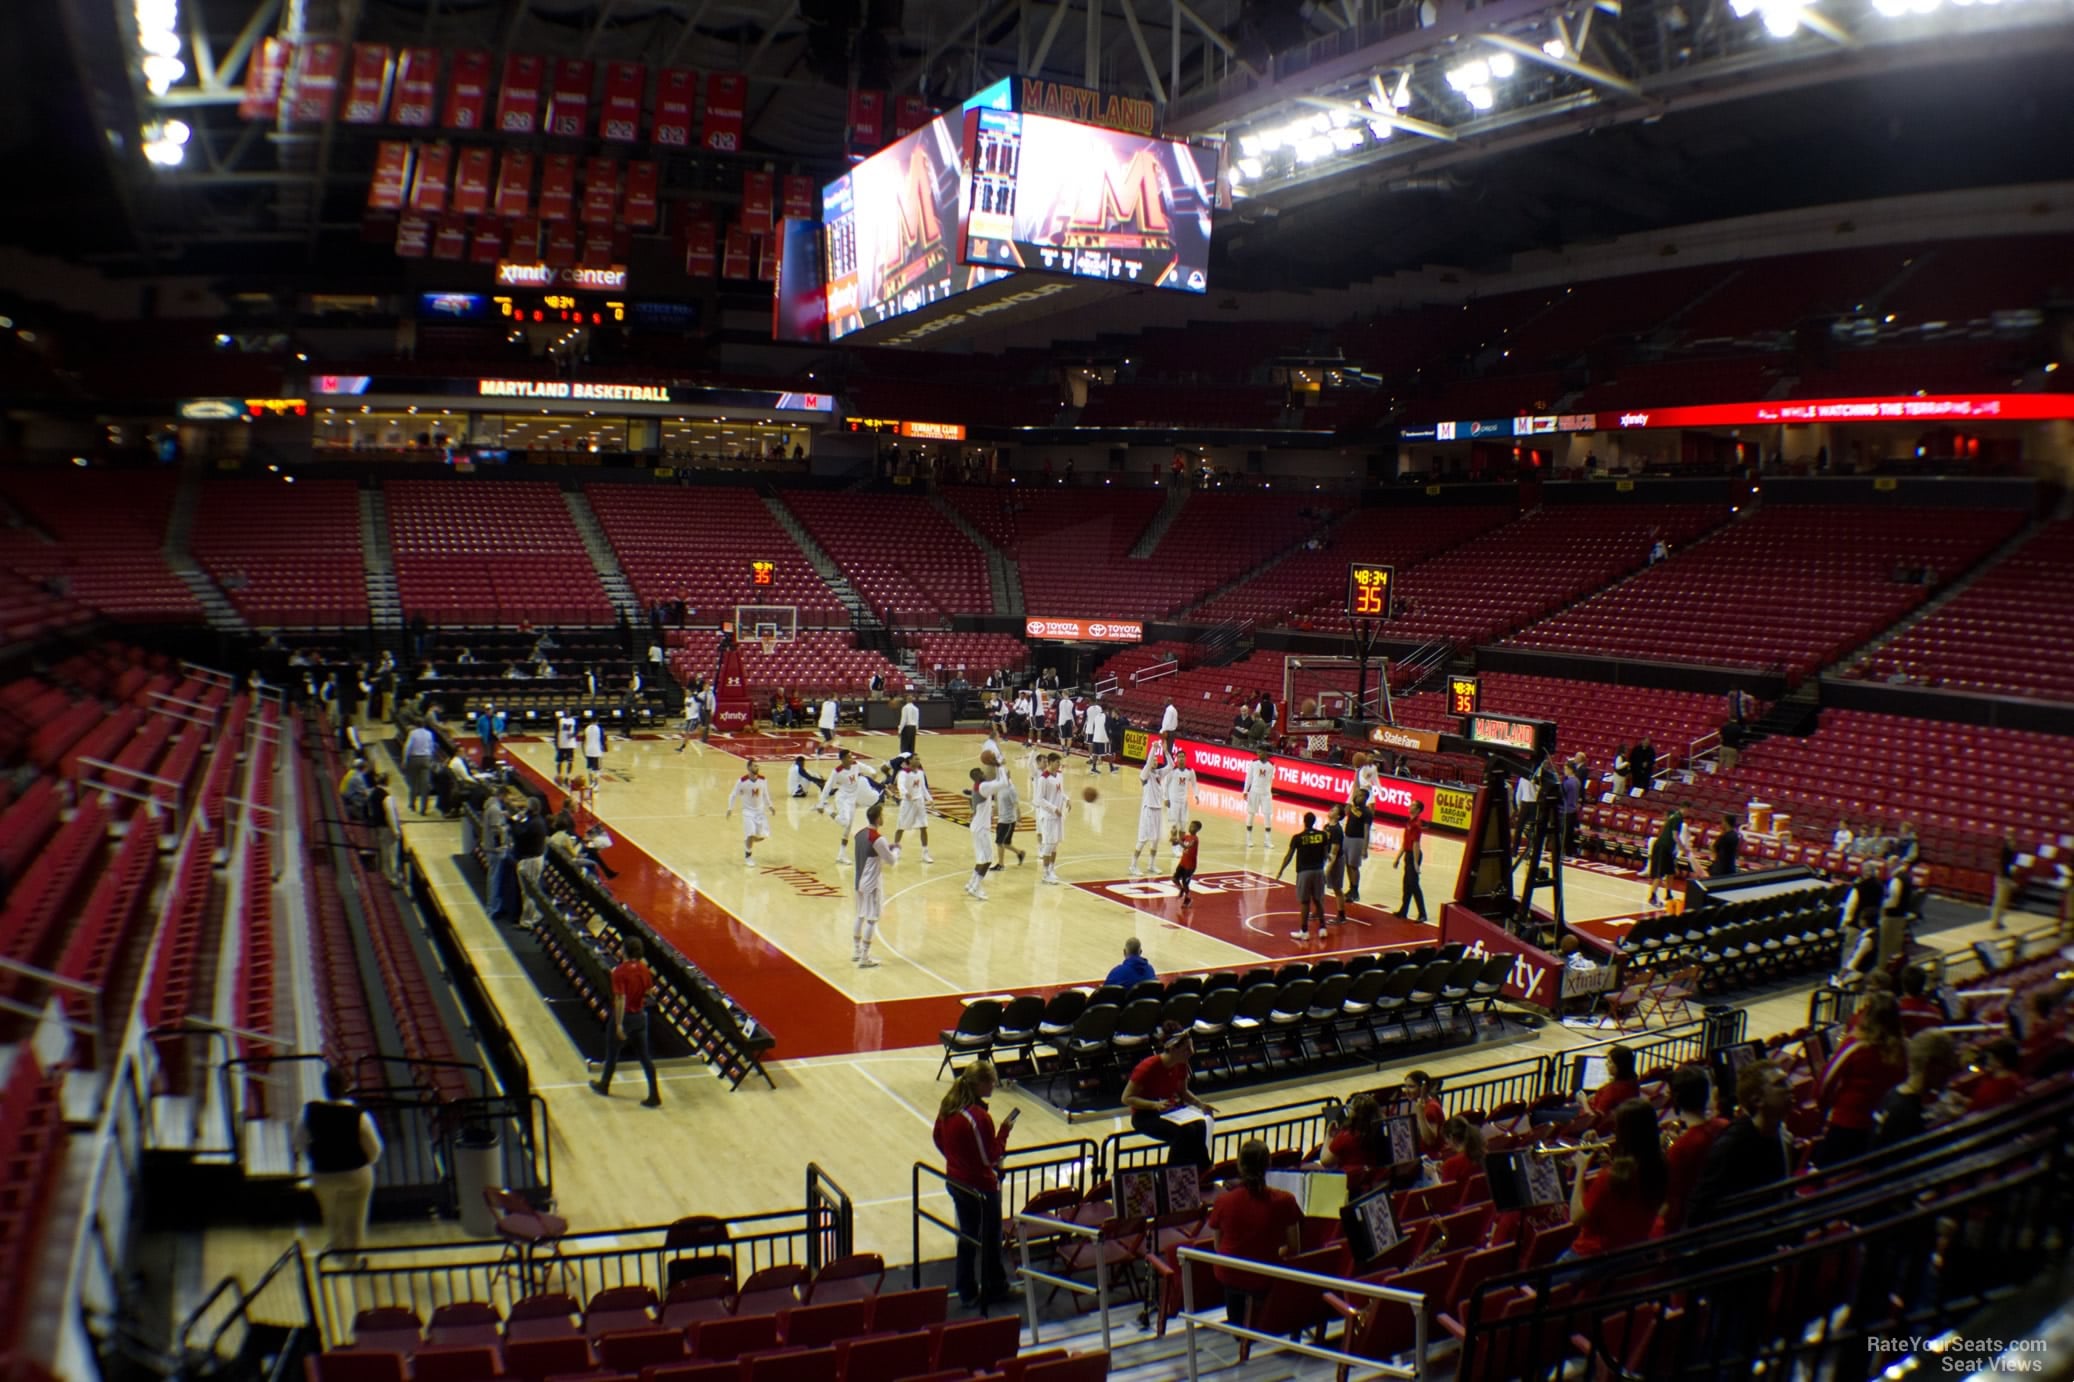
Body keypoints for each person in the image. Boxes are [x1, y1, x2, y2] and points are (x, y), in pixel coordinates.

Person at [933, 1061, 1019, 1309]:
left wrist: (956, 1160)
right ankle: (996, 1287)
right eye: (991, 1081)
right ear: (980, 1083)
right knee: (991, 1240)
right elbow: (990, 1157)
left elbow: (937, 1139)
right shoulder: (979, 1117)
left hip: (956, 1180)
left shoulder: (948, 1107)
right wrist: (1004, 1132)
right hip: (980, 1187)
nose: (994, 1085)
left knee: (967, 1237)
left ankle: (967, 1290)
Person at [1206, 1140, 1302, 1329]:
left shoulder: (1223, 1200)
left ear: (1240, 1166)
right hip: (1265, 1274)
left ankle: (1239, 1329)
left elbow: (1218, 1247)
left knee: (1235, 1279)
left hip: (1229, 1273)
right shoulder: (1286, 1200)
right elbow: (1294, 1248)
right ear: (1268, 1165)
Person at [1686, 1059, 1793, 1226]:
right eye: (1781, 1084)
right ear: (1758, 1100)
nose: (1791, 1087)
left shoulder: (1781, 1133)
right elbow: (1699, 1209)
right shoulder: (1730, 1146)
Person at [295, 1067, 383, 1263]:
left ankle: (337, 1251)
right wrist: (365, 1162)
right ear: (346, 1087)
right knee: (356, 1217)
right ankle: (355, 1256)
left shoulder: (309, 1111)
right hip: (355, 1173)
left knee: (331, 1214)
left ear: (324, 1087)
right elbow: (375, 1149)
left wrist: (315, 1158)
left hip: (323, 1173)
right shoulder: (359, 1115)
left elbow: (299, 1142)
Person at [1567, 1099, 1668, 1259]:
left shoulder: (1608, 1177)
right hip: (1629, 1255)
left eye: (1616, 1130)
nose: (1614, 1134)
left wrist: (1580, 1169)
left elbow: (1576, 1217)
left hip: (1590, 1257)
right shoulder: (1660, 1168)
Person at [1815, 994, 1907, 1165]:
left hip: (1848, 1124)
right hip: (1882, 1124)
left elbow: (1825, 1083)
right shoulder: (1904, 1048)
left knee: (1832, 1176)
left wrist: (1824, 1109)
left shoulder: (1856, 1045)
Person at [1122, 1024, 1217, 1168]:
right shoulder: (1148, 1067)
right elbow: (1126, 1098)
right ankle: (1173, 1174)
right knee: (1185, 1132)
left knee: (1200, 1125)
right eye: (1187, 1049)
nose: (1192, 1052)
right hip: (1145, 1115)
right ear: (1173, 1049)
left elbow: (1183, 1092)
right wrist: (1154, 1105)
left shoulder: (1181, 1064)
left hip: (1169, 1111)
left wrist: (1200, 1105)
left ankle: (1201, 1169)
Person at [591, 935, 662, 1106]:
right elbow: (649, 992)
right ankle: (654, 1094)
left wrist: (618, 1023)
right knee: (645, 1057)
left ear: (625, 951)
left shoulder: (619, 971)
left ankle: (604, 1085)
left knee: (612, 1053)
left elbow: (620, 998)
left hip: (626, 1017)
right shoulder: (645, 970)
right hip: (640, 1017)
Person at [1659, 1065, 1730, 1234]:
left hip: (1692, 1227)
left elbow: (1673, 1205)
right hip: (1722, 1213)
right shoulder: (1724, 1125)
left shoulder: (1679, 1149)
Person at [1869, 1029, 1959, 1150]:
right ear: (1932, 1065)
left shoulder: (1893, 1095)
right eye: (1947, 1065)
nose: (1950, 1073)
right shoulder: (1906, 1114)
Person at [852, 802, 899, 968]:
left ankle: (856, 951)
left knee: (860, 915)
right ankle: (865, 956)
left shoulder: (859, 834)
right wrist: (896, 850)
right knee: (872, 919)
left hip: (858, 880)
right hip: (871, 883)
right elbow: (891, 860)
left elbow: (871, 852)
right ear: (878, 818)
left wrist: (887, 847)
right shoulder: (878, 839)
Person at [1276, 811, 1332, 941]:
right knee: (1318, 900)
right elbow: (1325, 855)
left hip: (1304, 872)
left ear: (1304, 822)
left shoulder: (1298, 837)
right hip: (1318, 871)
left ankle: (1304, 930)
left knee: (1305, 901)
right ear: (1314, 822)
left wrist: (1281, 870)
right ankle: (1323, 928)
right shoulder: (1322, 835)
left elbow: (1289, 856)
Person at [817, 750, 868, 866]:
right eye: (849, 757)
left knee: (847, 829)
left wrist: (873, 772)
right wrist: (821, 803)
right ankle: (828, 809)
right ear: (843, 759)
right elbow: (828, 786)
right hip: (842, 798)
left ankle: (841, 855)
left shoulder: (855, 765)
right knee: (845, 822)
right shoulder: (837, 771)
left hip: (852, 800)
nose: (852, 759)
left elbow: (867, 768)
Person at [724, 760, 773, 867]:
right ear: (749, 767)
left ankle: (747, 842)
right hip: (748, 812)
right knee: (750, 834)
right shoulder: (742, 781)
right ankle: (748, 856)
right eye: (755, 765)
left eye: (758, 765)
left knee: (760, 837)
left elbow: (766, 794)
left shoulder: (763, 780)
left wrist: (770, 806)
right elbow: (732, 795)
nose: (757, 767)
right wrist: (729, 808)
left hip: (760, 812)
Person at [509, 795, 548, 930]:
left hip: (531, 859)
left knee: (529, 892)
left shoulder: (535, 824)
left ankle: (528, 921)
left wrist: (514, 822)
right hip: (531, 858)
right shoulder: (535, 821)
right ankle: (534, 916)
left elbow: (519, 835)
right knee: (528, 891)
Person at [965, 766, 1001, 901]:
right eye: (981, 773)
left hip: (978, 826)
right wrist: (999, 767)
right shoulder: (982, 788)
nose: (983, 773)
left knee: (982, 858)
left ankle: (971, 884)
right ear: (977, 777)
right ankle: (976, 887)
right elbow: (999, 784)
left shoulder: (976, 787)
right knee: (987, 860)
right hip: (981, 828)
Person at [893, 754, 936, 863]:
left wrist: (930, 799)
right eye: (916, 759)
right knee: (901, 827)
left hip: (919, 802)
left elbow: (923, 788)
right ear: (910, 760)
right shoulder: (903, 773)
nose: (918, 760)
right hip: (908, 803)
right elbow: (900, 785)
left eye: (919, 758)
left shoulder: (920, 772)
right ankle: (896, 850)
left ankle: (925, 853)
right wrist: (905, 793)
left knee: (923, 827)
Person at [1966, 1037, 2026, 1113]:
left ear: (1999, 1062)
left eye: (1990, 1058)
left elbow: (1971, 1111)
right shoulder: (2017, 1079)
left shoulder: (1988, 1089)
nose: (1987, 1061)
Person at [1129, 760, 1167, 878]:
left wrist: (1165, 751)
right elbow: (1149, 761)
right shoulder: (1145, 775)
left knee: (1155, 840)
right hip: (1148, 810)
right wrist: (1154, 748)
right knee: (1143, 839)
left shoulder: (1158, 774)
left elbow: (1170, 765)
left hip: (1158, 809)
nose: (1155, 762)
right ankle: (1133, 865)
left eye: (1156, 760)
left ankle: (1151, 864)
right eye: (1152, 760)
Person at [1033, 752, 1066, 884]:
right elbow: (1039, 799)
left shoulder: (1059, 775)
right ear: (1051, 762)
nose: (1059, 765)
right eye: (1057, 762)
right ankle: (1045, 873)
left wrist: (1067, 799)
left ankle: (1051, 870)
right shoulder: (1043, 779)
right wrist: (1053, 809)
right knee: (1049, 844)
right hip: (1047, 817)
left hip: (1058, 816)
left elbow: (1061, 792)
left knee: (1055, 844)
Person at [1394, 800, 1428, 923]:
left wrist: (1415, 862)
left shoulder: (1416, 824)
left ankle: (1422, 914)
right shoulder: (1409, 822)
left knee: (1414, 885)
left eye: (1413, 805)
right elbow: (1405, 843)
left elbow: (1416, 844)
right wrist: (1397, 858)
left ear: (1418, 810)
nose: (1410, 806)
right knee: (1406, 884)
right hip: (1409, 854)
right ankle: (1404, 911)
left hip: (1414, 855)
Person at [1435, 1114, 1488, 1189]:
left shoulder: (1451, 1164)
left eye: (1446, 1140)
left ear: (1451, 1137)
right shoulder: (1484, 1155)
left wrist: (1437, 1175)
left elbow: (1445, 1194)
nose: (1446, 1144)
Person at [1589, 1045, 1643, 1116]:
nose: (1606, 1064)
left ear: (1619, 1066)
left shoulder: (1612, 1090)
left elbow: (1596, 1117)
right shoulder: (1633, 1081)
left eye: (1610, 1062)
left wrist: (1583, 1101)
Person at [990, 765, 1026, 871]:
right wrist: (992, 814)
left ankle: (1000, 864)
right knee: (1005, 843)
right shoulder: (1000, 787)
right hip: (1002, 818)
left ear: (1008, 775)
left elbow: (1016, 805)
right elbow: (997, 802)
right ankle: (1020, 853)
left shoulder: (1011, 789)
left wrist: (1019, 820)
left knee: (999, 842)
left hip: (1008, 820)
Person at [1164, 751, 1197, 858]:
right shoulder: (1172, 771)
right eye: (1179, 757)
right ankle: (1174, 847)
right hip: (1173, 801)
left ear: (1185, 758)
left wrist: (1196, 795)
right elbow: (1165, 785)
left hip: (1184, 802)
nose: (1181, 759)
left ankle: (1180, 846)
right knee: (1174, 826)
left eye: (1183, 757)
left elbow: (1194, 784)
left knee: (1183, 826)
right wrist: (1165, 798)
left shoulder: (1190, 771)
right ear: (1177, 759)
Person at [401, 720, 437, 815]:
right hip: (426, 759)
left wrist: (404, 759)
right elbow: (432, 747)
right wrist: (431, 759)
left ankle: (412, 804)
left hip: (414, 759)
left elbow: (407, 747)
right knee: (425, 785)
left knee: (413, 783)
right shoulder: (429, 733)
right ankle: (423, 808)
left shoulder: (412, 733)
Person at [1989, 829, 2021, 931]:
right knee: (1999, 901)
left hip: (2005, 877)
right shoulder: (2005, 850)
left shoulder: (2009, 850)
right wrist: (2008, 880)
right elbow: (2004, 866)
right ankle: (1995, 922)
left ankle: (1998, 921)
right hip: (2003, 878)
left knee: (2002, 902)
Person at [1242, 749, 1274, 847]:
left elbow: (1270, 780)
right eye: (1258, 752)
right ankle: (1248, 839)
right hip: (1254, 792)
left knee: (1267, 815)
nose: (1258, 754)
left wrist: (1269, 792)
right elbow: (1249, 778)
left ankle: (1267, 841)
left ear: (1265, 753)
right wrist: (1245, 790)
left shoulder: (1271, 765)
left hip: (1266, 793)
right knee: (1251, 814)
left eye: (1260, 752)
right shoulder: (1253, 763)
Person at [1172, 819, 1202, 908]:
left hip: (1190, 866)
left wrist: (1179, 840)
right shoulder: (1186, 836)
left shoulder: (1195, 839)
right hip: (1183, 863)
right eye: (1190, 826)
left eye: (1193, 827)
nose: (1190, 827)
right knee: (1174, 878)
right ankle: (1181, 890)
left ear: (1197, 830)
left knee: (1185, 883)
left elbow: (1186, 846)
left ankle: (1188, 899)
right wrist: (1173, 836)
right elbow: (1174, 844)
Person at [1084, 696, 1112, 773]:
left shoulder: (1088, 709)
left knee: (1091, 744)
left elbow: (1085, 719)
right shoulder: (1100, 710)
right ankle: (1102, 761)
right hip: (1099, 731)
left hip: (1090, 729)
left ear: (1090, 701)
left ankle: (1091, 759)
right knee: (1107, 751)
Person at [1709, 813, 1741, 878]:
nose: (1722, 823)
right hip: (1731, 867)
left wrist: (1711, 844)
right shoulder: (1736, 836)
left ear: (1726, 823)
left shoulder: (1724, 836)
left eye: (1723, 821)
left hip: (1720, 868)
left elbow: (1713, 848)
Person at [553, 708, 578, 785]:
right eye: (565, 711)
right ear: (563, 712)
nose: (567, 712)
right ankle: (559, 775)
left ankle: (568, 777)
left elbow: (577, 731)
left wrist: (573, 735)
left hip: (570, 744)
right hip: (562, 744)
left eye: (568, 711)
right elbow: (556, 732)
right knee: (559, 762)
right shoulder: (560, 720)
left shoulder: (574, 721)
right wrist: (556, 742)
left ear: (570, 712)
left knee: (570, 762)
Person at [581, 712, 605, 782]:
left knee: (590, 768)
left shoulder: (586, 728)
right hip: (596, 751)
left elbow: (583, 741)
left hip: (588, 750)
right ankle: (596, 784)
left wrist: (583, 752)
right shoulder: (599, 729)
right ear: (597, 720)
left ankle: (591, 783)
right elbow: (602, 741)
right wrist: (603, 749)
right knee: (597, 768)